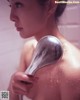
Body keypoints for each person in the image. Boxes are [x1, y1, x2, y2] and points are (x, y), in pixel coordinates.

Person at [7, 0, 80, 100]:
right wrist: (11, 87)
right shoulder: (28, 49)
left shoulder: (74, 71)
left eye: (18, 4)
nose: (11, 17)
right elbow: (3, 97)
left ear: (50, 6)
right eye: (10, 5)